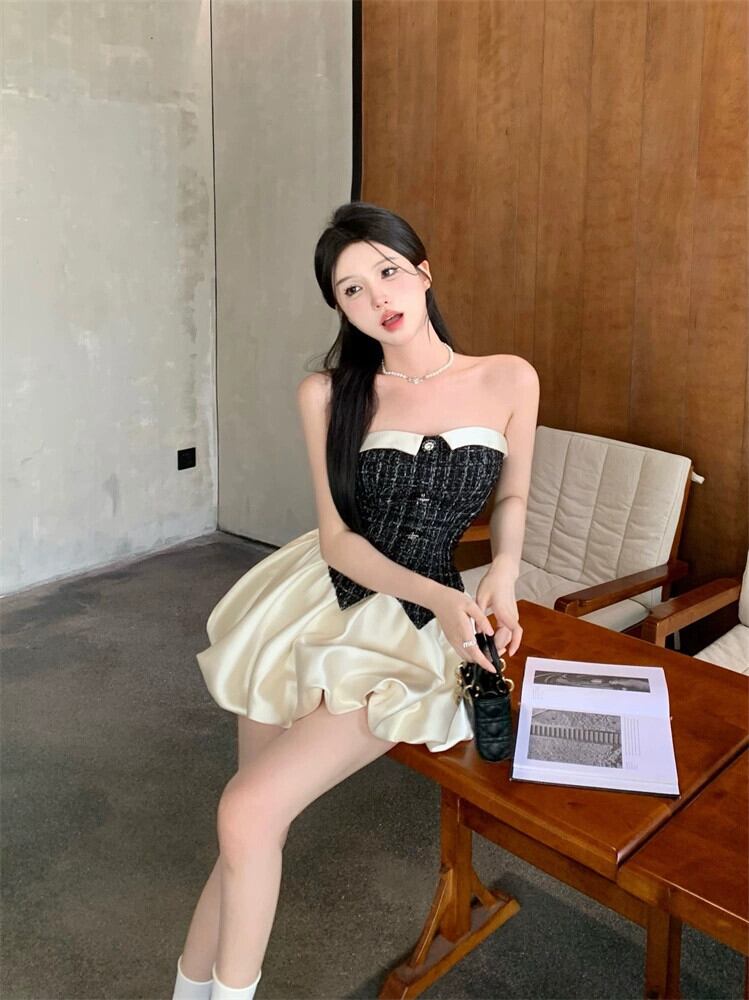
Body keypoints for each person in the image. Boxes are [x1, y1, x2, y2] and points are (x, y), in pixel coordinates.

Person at [172, 201, 539, 999]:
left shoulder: (508, 377)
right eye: (350, 289)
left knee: (245, 815)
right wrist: (442, 598)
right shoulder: (328, 393)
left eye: (387, 271)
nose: (377, 297)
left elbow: (511, 497)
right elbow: (338, 540)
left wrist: (503, 571)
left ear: (422, 271)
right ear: (338, 307)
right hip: (311, 601)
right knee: (248, 826)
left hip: (406, 628)